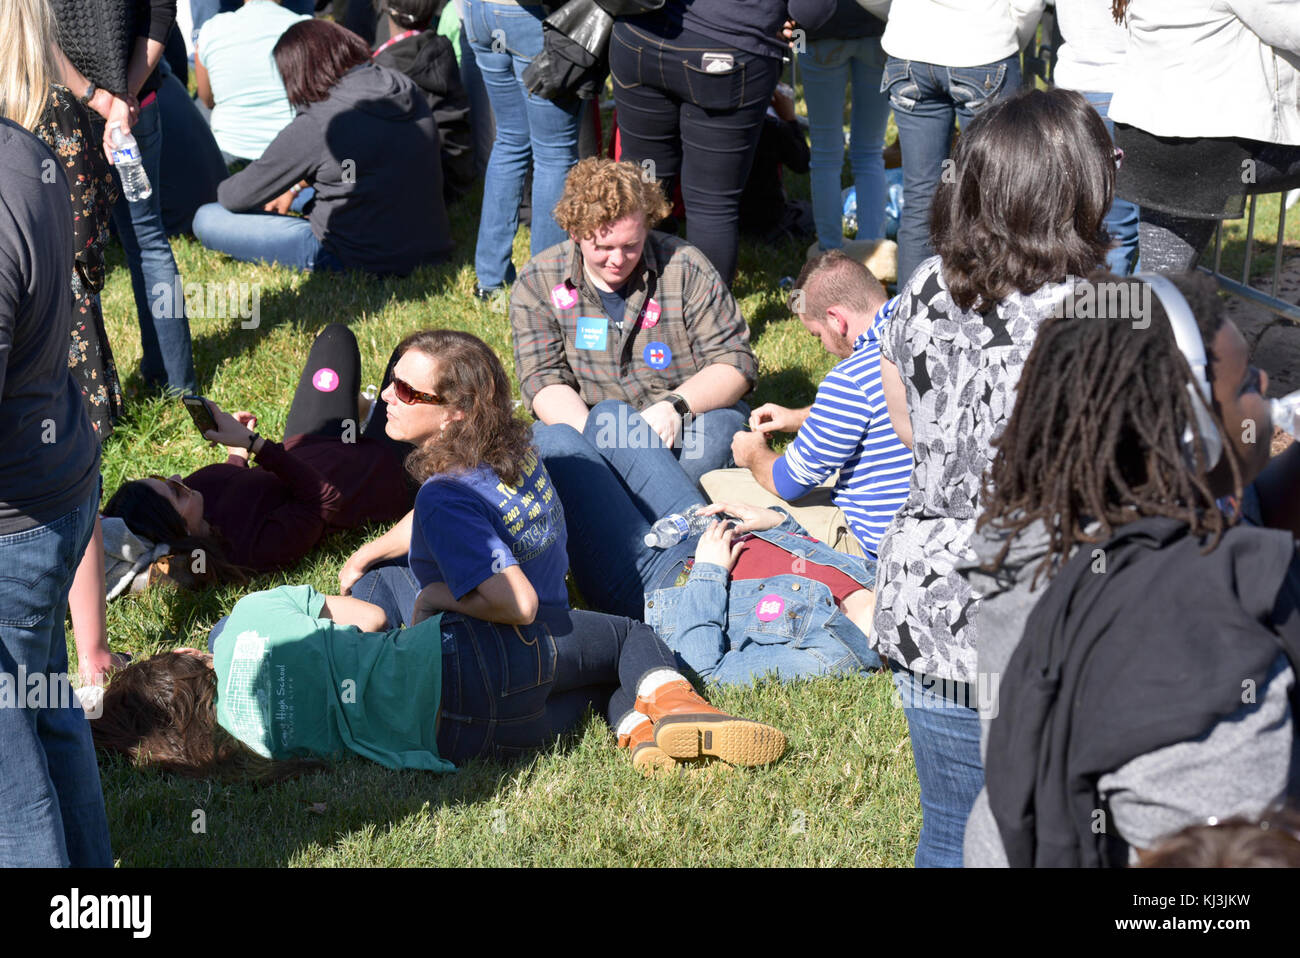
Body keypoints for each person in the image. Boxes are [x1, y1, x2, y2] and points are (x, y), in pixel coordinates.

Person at [961, 273, 1300, 866]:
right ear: (1190, 435)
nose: (1266, 386)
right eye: (1246, 382)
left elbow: (1245, 507)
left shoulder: (1046, 524)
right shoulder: (1192, 639)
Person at [870, 87, 1115, 867]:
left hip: (928, 597)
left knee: (948, 829)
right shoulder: (1105, 313)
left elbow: (904, 412)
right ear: (1075, 184)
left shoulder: (926, 286)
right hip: (1044, 610)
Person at [92, 585, 790, 775]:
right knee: (630, 639)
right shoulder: (247, 619)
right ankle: (676, 704)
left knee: (592, 693)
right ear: (183, 660)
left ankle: (641, 737)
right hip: (462, 660)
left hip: (458, 742)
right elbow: (368, 615)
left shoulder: (249, 747)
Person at [539, 400, 881, 686]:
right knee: (610, 417)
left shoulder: (831, 655)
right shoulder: (877, 579)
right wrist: (778, 522)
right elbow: (810, 560)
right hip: (709, 528)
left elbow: (708, 669)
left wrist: (709, 572)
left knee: (554, 442)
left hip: (667, 583)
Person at [0, 115, 112, 867]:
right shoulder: (23, 149)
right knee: (44, 706)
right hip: (57, 486)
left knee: (9, 781)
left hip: (14, 526)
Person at [513, 158, 758, 488]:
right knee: (549, 445)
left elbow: (734, 363)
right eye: (603, 247)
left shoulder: (685, 266)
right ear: (574, 233)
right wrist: (599, 441)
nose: (617, 260)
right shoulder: (539, 281)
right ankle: (666, 511)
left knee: (717, 436)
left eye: (631, 245)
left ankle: (640, 509)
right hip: (590, 426)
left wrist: (676, 407)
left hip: (681, 422)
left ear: (647, 227)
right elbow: (542, 378)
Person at [103, 324, 414, 578]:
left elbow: (235, 486)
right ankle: (388, 425)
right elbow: (324, 499)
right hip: (378, 470)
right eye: (174, 490)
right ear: (182, 530)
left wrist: (238, 449)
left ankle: (365, 416)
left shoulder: (195, 498)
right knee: (413, 355)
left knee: (335, 338)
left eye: (164, 477)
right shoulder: (253, 549)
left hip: (313, 443)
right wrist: (257, 445)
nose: (177, 478)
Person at [192, 18, 453, 274]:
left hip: (356, 255)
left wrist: (279, 183)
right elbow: (362, 166)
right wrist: (294, 186)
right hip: (430, 246)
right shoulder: (403, 86)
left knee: (207, 218)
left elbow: (234, 196)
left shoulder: (321, 119)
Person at [608, 0, 836, 286]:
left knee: (644, 183)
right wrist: (796, 22)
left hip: (639, 38)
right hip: (728, 47)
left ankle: (638, 299)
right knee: (710, 202)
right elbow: (813, 10)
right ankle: (704, 323)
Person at [702, 250, 912, 560]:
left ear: (836, 319)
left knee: (713, 483)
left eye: (817, 336)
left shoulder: (851, 378)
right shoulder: (928, 333)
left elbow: (787, 483)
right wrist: (799, 417)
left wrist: (752, 453)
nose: (825, 348)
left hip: (878, 544)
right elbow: (880, 408)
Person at [52, 0, 198, 395]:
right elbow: (161, 11)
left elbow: (34, 26)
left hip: (67, 108)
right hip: (135, 104)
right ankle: (177, 383)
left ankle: (91, 401)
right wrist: (123, 95)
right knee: (148, 240)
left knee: (74, 251)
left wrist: (96, 96)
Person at [1108, 0, 1300, 272]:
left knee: (1159, 285)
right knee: (1159, 292)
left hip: (1150, 136)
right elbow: (1289, 23)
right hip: (1207, 149)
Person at [879, 0, 1039, 287]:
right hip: (984, 48)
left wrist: (899, 13)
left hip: (909, 49)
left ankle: (912, 318)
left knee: (920, 198)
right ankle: (996, 316)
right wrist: (1008, 33)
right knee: (996, 198)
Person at [461, 0, 582, 299]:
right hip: (527, 15)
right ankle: (545, 286)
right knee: (553, 154)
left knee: (511, 141)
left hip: (479, 12)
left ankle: (490, 281)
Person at [794, 0, 891, 252]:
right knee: (870, 152)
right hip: (878, 25)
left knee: (825, 154)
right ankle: (874, 253)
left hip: (819, 26)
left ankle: (829, 253)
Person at [1051, 0, 1138, 274]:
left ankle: (1083, 310)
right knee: (1115, 235)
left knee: (1074, 225)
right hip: (1119, 88)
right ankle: (1105, 315)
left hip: (1070, 89)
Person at [372, 0, 476, 206]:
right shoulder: (442, 48)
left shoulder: (384, 71)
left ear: (385, 9)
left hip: (417, 192)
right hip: (457, 178)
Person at [194, 0, 310, 165]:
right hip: (291, 150)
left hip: (228, 149)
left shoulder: (211, 28)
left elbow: (206, 99)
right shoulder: (307, 27)